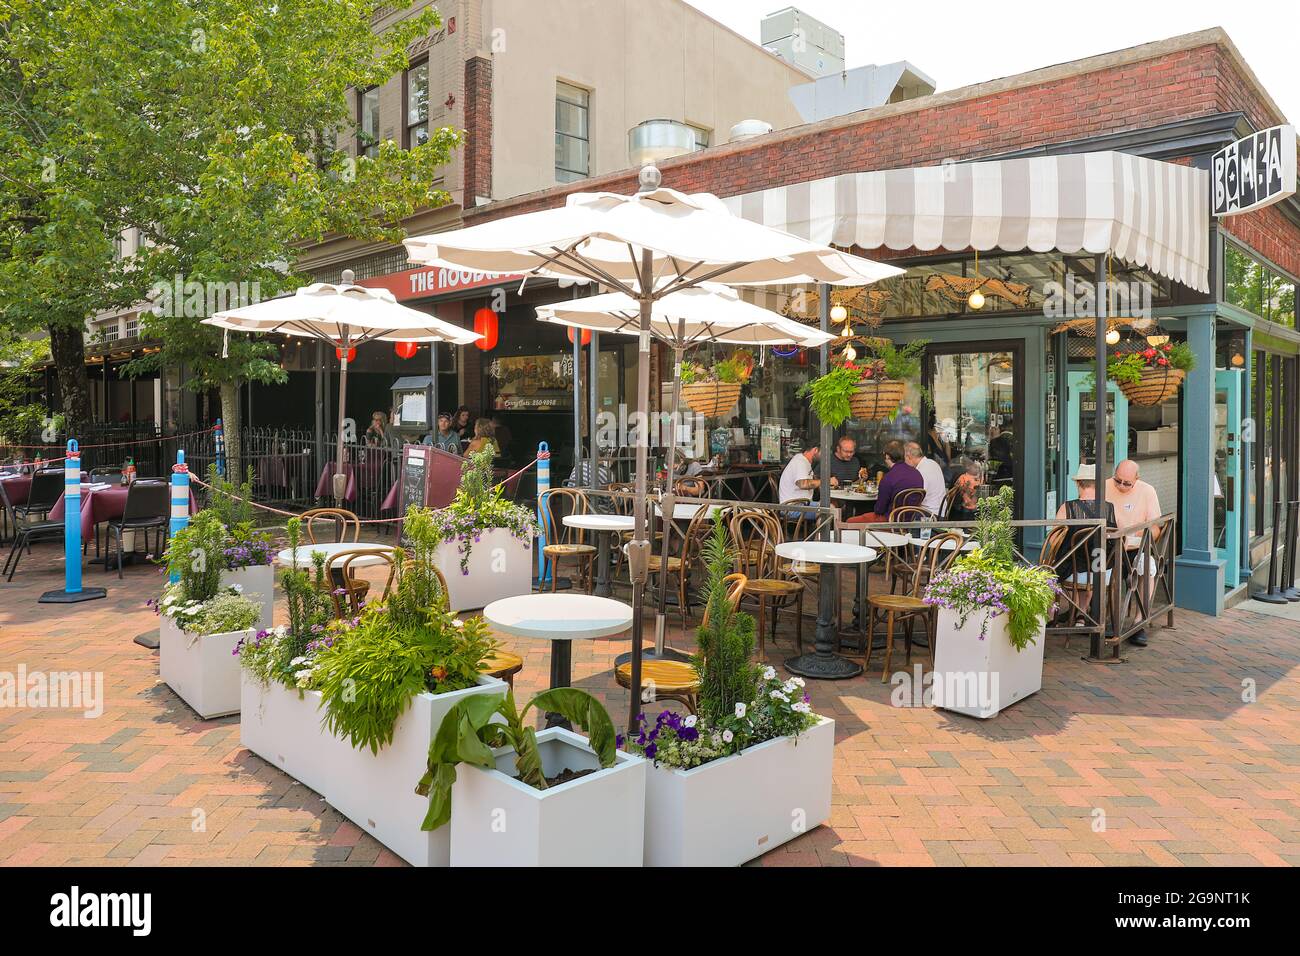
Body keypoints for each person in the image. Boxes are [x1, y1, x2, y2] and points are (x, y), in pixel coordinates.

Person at [1105, 459, 1163, 647]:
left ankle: (1139, 622)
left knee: (1149, 568)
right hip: (1108, 547)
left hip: (1136, 548)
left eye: (1127, 483)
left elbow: (1156, 528)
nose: (1121, 486)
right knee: (1095, 567)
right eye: (1118, 480)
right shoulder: (1104, 486)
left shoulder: (1147, 491)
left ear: (1137, 479)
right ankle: (1101, 618)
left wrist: (1142, 535)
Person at [846, 441, 922, 523]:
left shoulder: (888, 478)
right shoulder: (917, 474)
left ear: (887, 456)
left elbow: (879, 510)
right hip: (910, 521)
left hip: (890, 521)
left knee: (850, 522)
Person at [907, 441, 946, 514]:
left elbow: (918, 497)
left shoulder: (921, 471)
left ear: (909, 457)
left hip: (930, 514)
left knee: (902, 513)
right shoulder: (932, 462)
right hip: (941, 509)